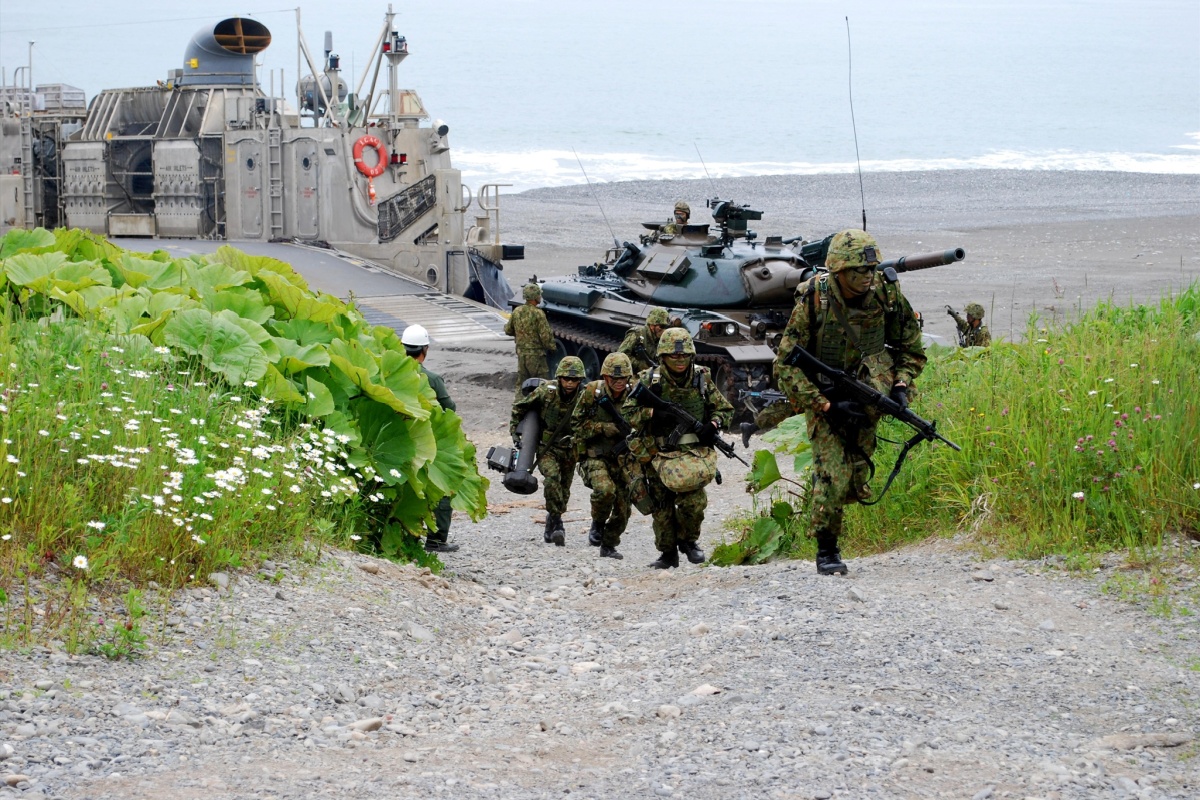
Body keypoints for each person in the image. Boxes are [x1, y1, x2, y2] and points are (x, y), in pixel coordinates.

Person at [774, 229, 926, 575]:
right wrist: (825, 406)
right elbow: (785, 364)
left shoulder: (887, 294)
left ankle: (832, 523)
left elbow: (911, 348)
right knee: (833, 474)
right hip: (825, 398)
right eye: (859, 270)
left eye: (871, 269)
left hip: (868, 397)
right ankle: (827, 551)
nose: (868, 276)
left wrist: (900, 384)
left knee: (855, 478)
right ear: (838, 270)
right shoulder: (815, 298)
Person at [624, 328, 733, 569]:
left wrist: (714, 424)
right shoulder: (649, 379)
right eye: (674, 356)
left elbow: (724, 409)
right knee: (661, 507)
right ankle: (667, 554)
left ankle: (689, 541)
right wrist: (653, 413)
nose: (680, 360)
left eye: (684, 355)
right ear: (663, 357)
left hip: (692, 453)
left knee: (694, 502)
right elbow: (627, 412)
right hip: (657, 452)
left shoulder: (701, 378)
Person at [510, 356, 586, 546]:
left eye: (574, 379)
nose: (570, 383)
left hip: (570, 449)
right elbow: (520, 407)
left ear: (580, 380)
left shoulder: (585, 396)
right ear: (559, 378)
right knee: (552, 479)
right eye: (566, 378)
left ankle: (551, 521)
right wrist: (515, 433)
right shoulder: (546, 391)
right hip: (547, 448)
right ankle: (558, 523)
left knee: (564, 491)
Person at [571, 353, 636, 559]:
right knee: (605, 490)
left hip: (624, 459)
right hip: (596, 456)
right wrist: (602, 428)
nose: (619, 382)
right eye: (614, 378)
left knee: (624, 509)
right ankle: (598, 523)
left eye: (623, 378)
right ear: (606, 377)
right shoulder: (593, 392)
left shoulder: (634, 394)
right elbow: (576, 424)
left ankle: (609, 544)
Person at [402, 324, 460, 553]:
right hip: (427, 440)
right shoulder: (432, 379)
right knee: (441, 486)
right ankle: (436, 539)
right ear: (424, 349)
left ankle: (405, 537)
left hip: (397, 437)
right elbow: (449, 409)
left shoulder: (391, 371)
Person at [504, 283, 556, 392]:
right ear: (535, 297)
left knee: (522, 384)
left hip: (521, 354)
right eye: (539, 295)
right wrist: (552, 348)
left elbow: (508, 330)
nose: (540, 297)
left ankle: (520, 401)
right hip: (536, 356)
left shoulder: (517, 311)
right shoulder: (538, 314)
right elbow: (545, 337)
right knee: (542, 384)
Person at [618, 306, 670, 374]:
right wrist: (640, 365)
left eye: (666, 327)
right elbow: (621, 356)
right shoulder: (637, 334)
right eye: (662, 326)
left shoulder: (661, 339)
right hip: (633, 374)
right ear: (652, 325)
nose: (664, 330)